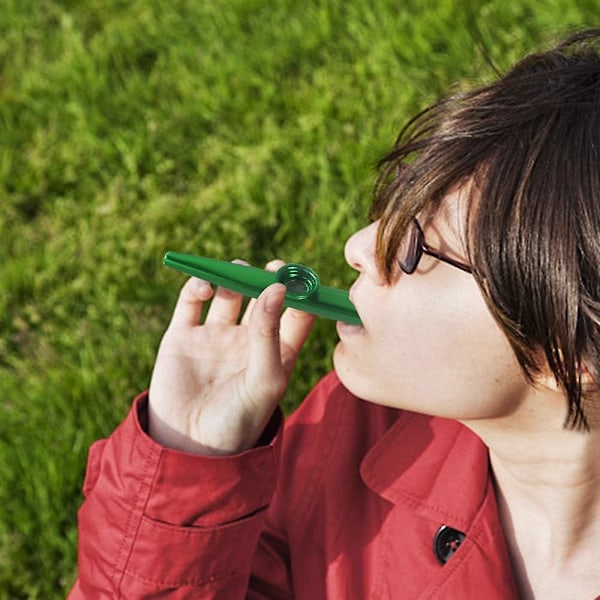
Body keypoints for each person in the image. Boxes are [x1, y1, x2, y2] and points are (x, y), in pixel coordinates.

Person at [69, 29, 600, 599]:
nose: (359, 245)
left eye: (416, 249)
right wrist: (194, 466)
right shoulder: (352, 432)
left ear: (564, 354)